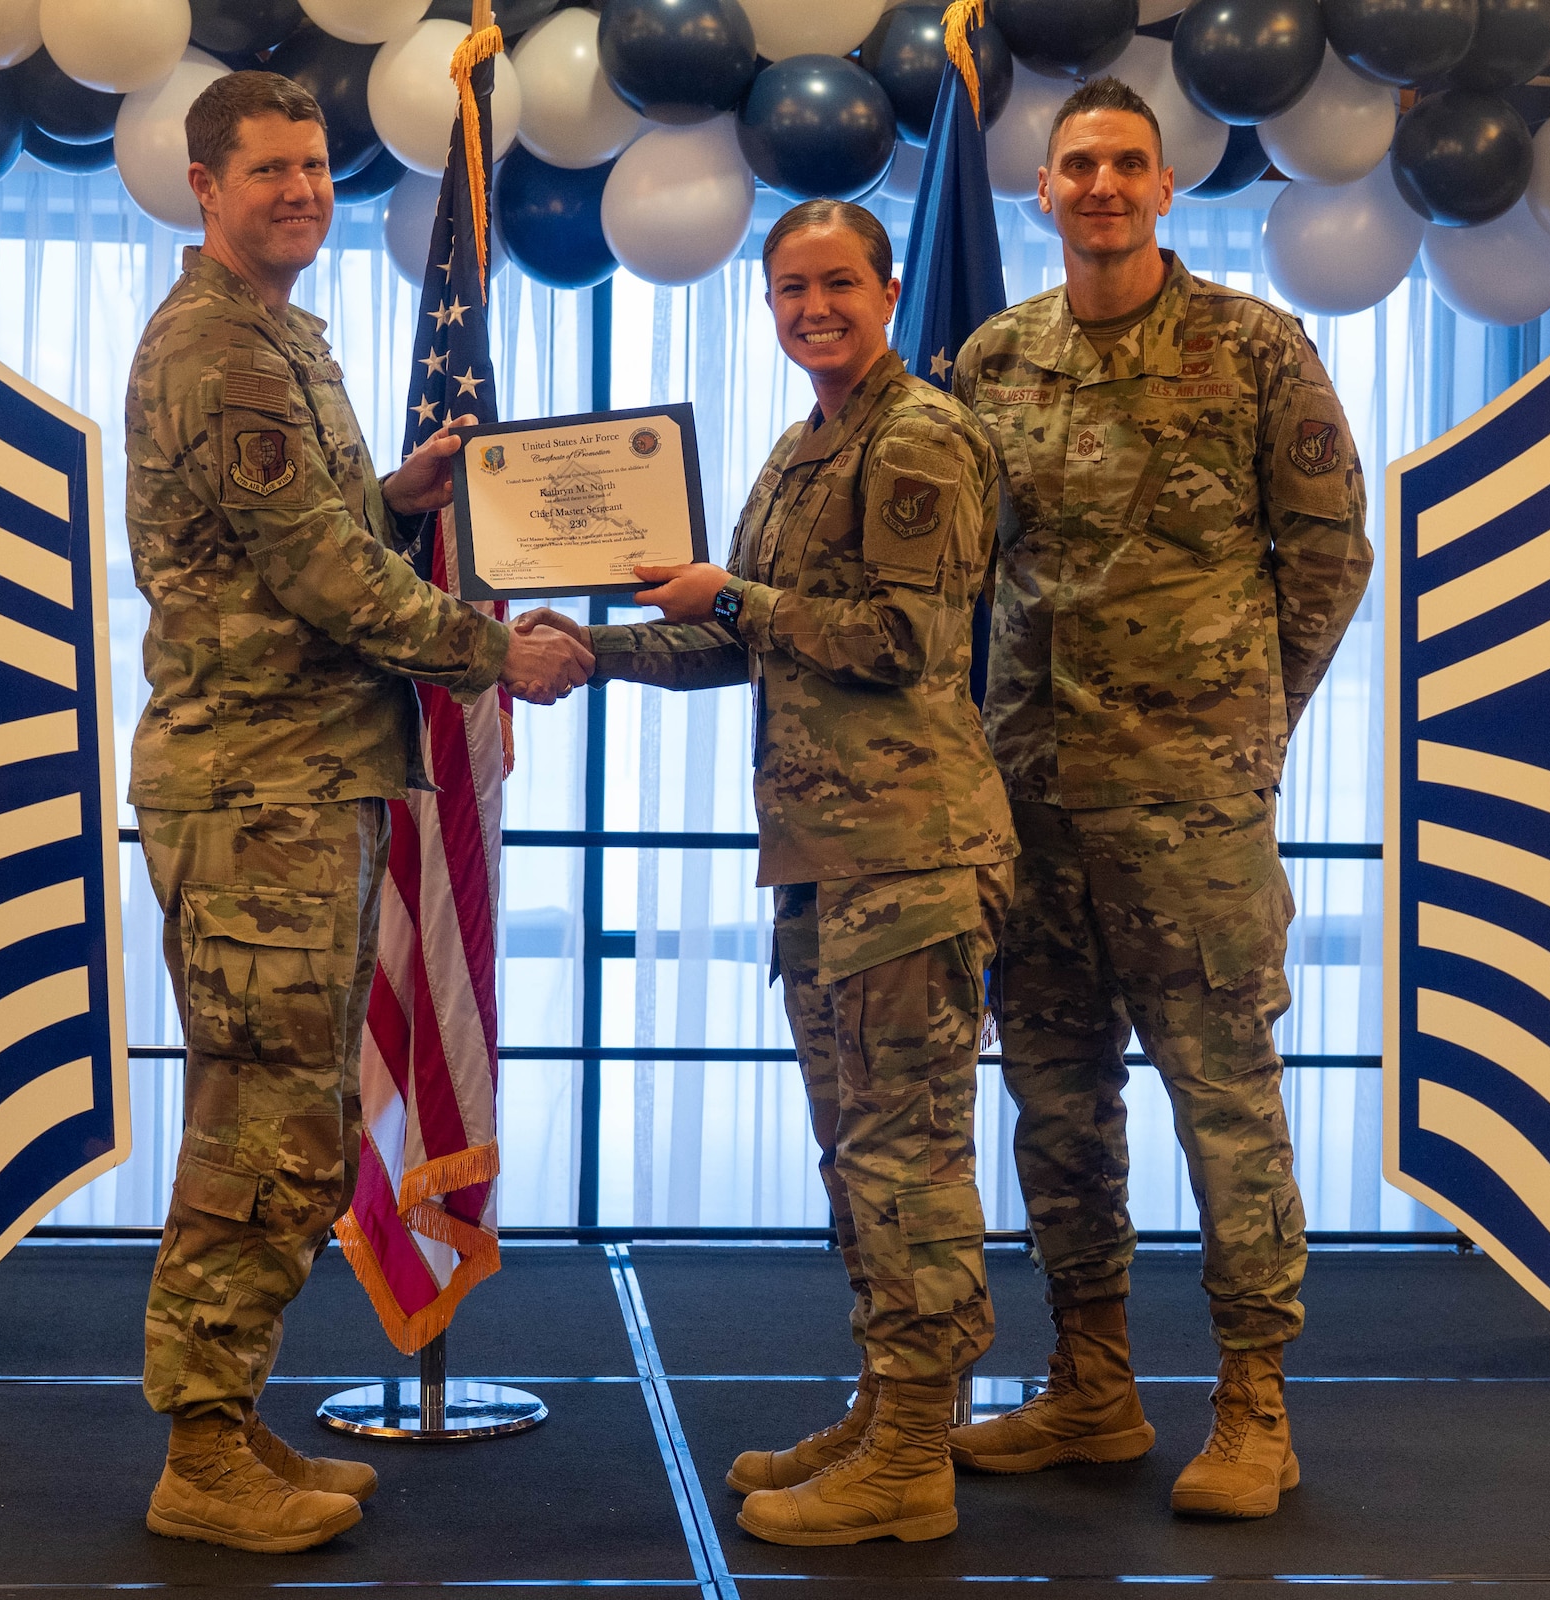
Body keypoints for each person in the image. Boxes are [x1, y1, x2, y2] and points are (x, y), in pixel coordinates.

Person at [124, 71, 592, 1554]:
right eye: (268, 171)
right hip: (257, 789)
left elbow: (318, 533)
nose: (301, 193)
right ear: (204, 186)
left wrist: (403, 494)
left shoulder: (286, 336)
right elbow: (316, 584)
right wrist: (489, 649)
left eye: (317, 168)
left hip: (308, 780)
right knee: (261, 1126)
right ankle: (199, 1455)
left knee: (303, 1118)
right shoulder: (223, 346)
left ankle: (229, 1418)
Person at [519, 200, 1015, 1547]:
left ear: (890, 287)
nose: (815, 310)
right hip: (823, 861)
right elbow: (751, 641)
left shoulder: (921, 438)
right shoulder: (805, 448)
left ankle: (914, 1453)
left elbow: (904, 641)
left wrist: (731, 596)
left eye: (839, 283)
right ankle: (888, 1397)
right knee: (857, 1153)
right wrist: (592, 648)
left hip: (910, 854)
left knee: (908, 1156)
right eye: (791, 290)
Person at [944, 77, 1372, 1520]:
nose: (1104, 184)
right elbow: (955, 574)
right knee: (1058, 1110)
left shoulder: (1254, 349)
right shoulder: (994, 361)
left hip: (1193, 815)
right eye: (1079, 165)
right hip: (1033, 804)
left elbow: (1329, 560)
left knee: (1225, 1111)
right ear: (1046, 191)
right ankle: (1093, 1384)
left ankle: (1255, 1404)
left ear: (1166, 185)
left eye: (1129, 162)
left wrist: (1246, 731)